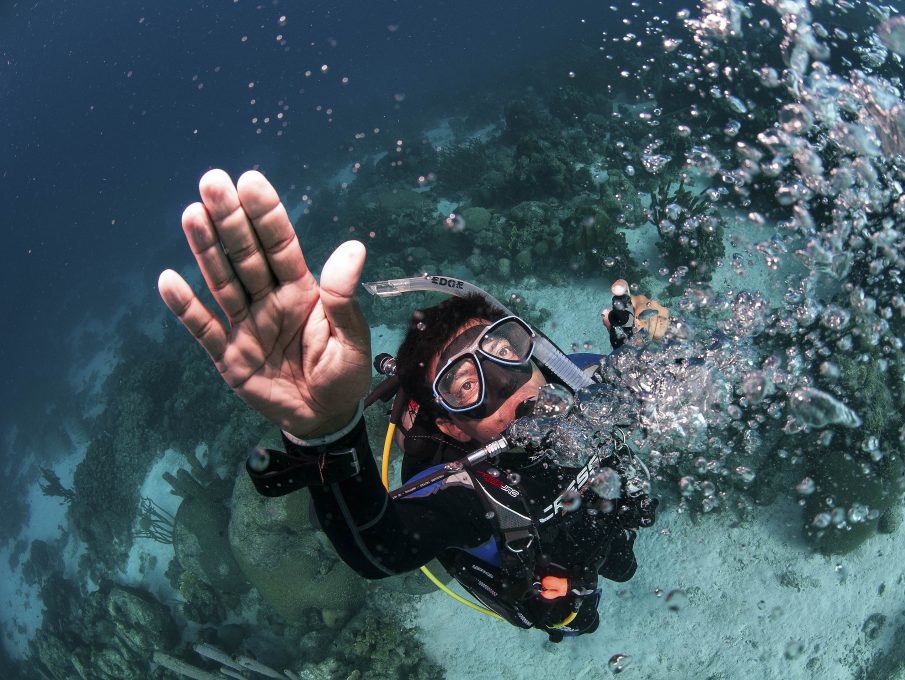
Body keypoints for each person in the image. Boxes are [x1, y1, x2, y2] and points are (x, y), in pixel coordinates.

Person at [159, 169, 657, 641]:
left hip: (605, 518)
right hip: (547, 578)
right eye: (467, 385)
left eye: (505, 351)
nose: (508, 384)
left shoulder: (577, 381)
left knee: (624, 556)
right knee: (578, 613)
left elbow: (657, 387)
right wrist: (327, 429)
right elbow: (383, 550)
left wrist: (646, 349)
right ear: (454, 427)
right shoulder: (469, 495)